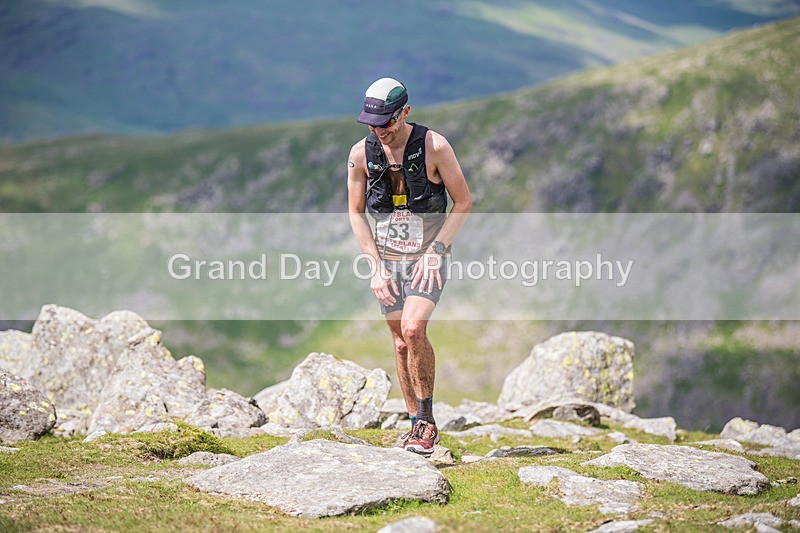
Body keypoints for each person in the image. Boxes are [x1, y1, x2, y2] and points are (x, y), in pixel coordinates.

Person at [347, 77, 472, 456]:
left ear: (405, 113)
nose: (379, 130)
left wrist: (436, 250)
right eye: (372, 123)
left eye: (386, 121)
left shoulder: (434, 146)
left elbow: (463, 202)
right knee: (401, 344)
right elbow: (355, 212)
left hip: (428, 258)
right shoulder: (360, 154)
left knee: (414, 329)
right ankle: (413, 424)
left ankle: (427, 422)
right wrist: (375, 267)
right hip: (387, 261)